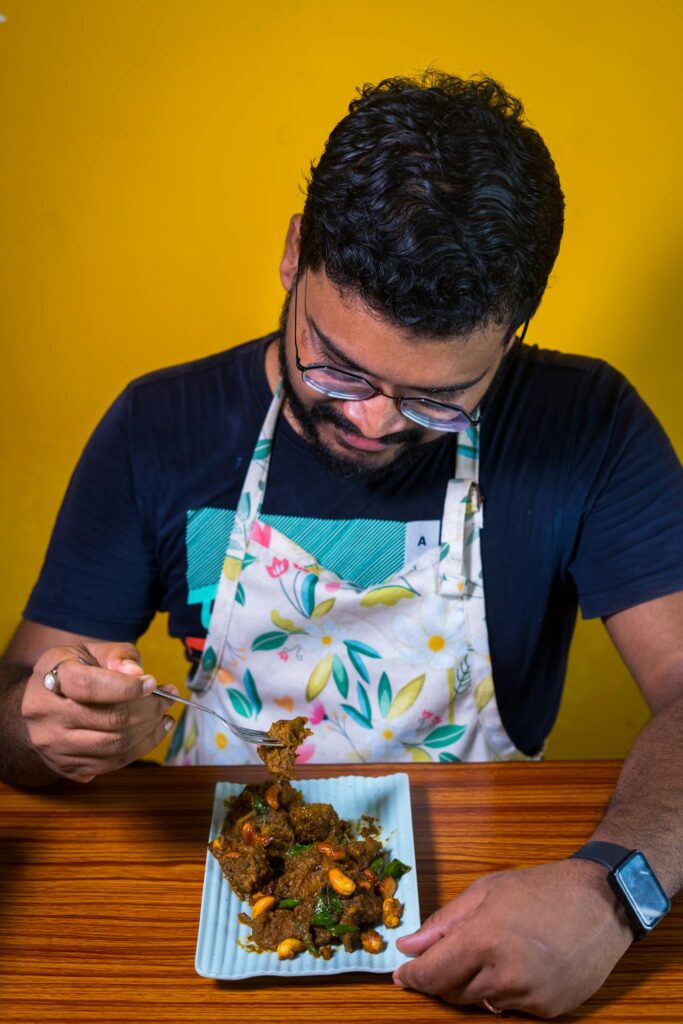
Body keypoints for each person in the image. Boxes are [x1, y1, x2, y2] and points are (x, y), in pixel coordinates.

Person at [1, 71, 682, 1016]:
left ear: (513, 333)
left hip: (485, 911)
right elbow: (15, 714)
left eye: (436, 397)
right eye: (336, 365)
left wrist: (614, 892)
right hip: (218, 910)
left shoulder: (589, 425)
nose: (372, 419)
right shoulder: (160, 426)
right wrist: (54, 725)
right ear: (293, 254)